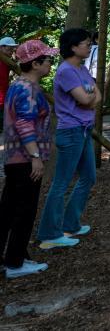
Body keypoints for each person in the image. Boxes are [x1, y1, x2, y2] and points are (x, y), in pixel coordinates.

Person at [37, 28, 100, 249]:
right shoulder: (65, 71)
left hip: (83, 130)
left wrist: (89, 98)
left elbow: (96, 96)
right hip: (71, 131)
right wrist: (89, 98)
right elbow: (85, 98)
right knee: (61, 183)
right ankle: (49, 232)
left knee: (89, 177)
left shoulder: (81, 69)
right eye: (85, 42)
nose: (89, 45)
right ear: (73, 46)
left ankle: (70, 223)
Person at [0, 40, 57, 279]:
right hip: (24, 160)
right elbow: (24, 124)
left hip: (14, 160)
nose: (50, 65)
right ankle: (15, 262)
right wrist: (35, 157)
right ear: (35, 64)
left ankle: (12, 258)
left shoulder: (17, 85)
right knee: (24, 210)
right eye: (47, 60)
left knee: (8, 210)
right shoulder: (28, 89)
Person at [0, 37, 18, 132]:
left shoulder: (8, 62)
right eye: (9, 49)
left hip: (4, 98)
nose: (11, 51)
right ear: (1, 47)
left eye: (12, 49)